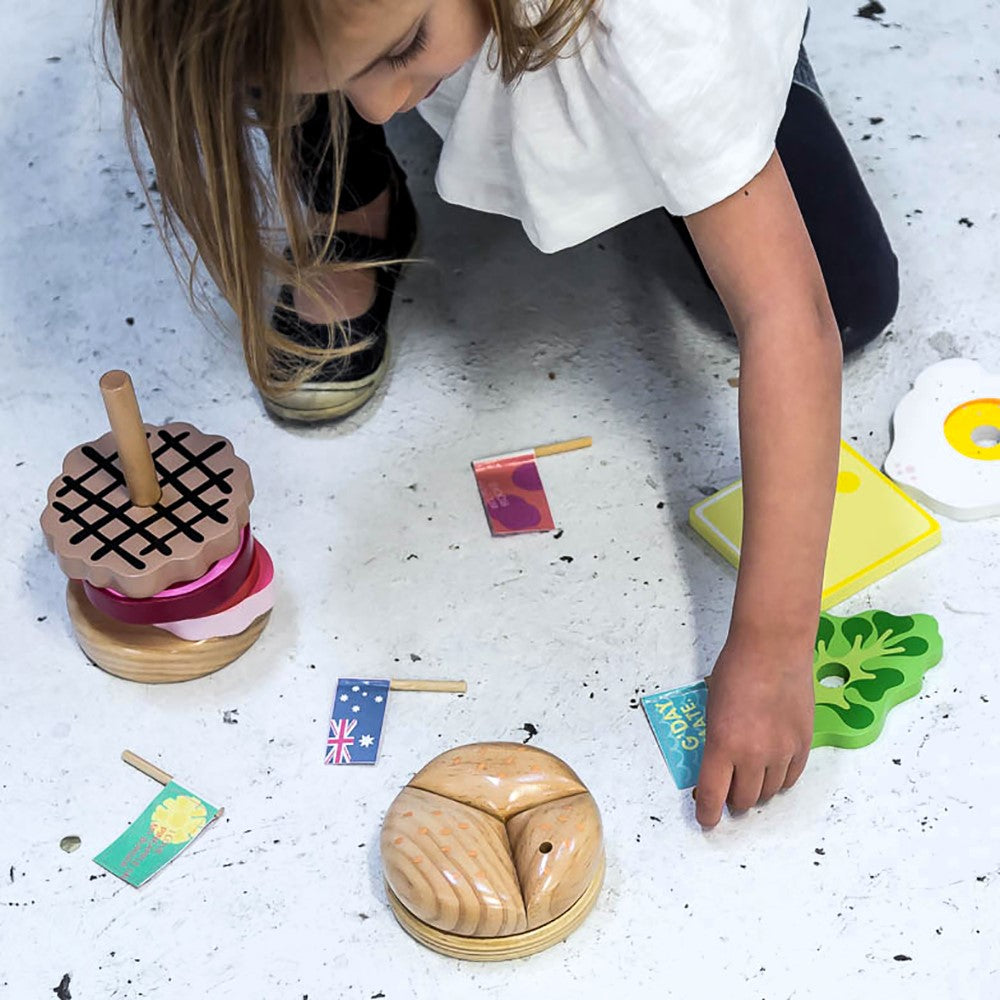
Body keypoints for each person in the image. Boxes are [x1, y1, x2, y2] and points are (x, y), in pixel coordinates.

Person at [106, 0, 899, 827]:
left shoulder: (660, 32)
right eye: (339, 88)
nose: (378, 108)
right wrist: (358, 60)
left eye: (402, 50)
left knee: (845, 298)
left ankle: (727, 106)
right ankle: (353, 188)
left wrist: (774, 646)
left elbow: (790, 317)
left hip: (667, 33)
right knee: (318, 41)